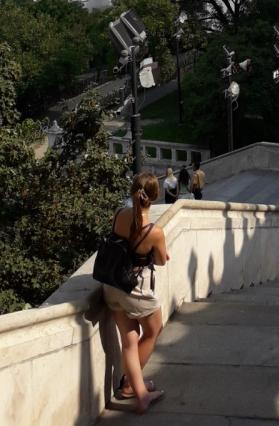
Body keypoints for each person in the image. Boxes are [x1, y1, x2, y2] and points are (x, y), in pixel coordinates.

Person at [102, 173, 167, 412]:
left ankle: (138, 393)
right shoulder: (154, 231)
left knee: (129, 340)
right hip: (136, 289)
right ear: (154, 197)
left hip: (113, 285)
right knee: (153, 330)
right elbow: (160, 261)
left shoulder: (119, 214)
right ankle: (130, 384)